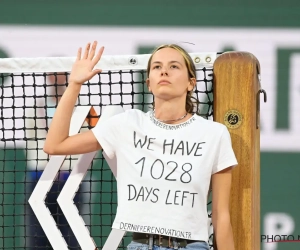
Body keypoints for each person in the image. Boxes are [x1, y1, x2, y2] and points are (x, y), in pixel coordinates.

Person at [43, 41, 238, 250]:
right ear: (149, 83)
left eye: (174, 66)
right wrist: (74, 84)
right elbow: (55, 145)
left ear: (191, 83)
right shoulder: (128, 123)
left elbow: (220, 215)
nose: (164, 71)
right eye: (157, 67)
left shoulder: (214, 134)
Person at [25, 73, 82, 249]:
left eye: (60, 75)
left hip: (69, 180)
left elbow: (88, 142)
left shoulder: (81, 110)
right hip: (41, 178)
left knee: (71, 234)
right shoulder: (37, 108)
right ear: (48, 78)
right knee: (39, 233)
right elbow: (32, 140)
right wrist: (48, 164)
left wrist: (69, 167)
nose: (56, 79)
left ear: (67, 77)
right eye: (52, 75)